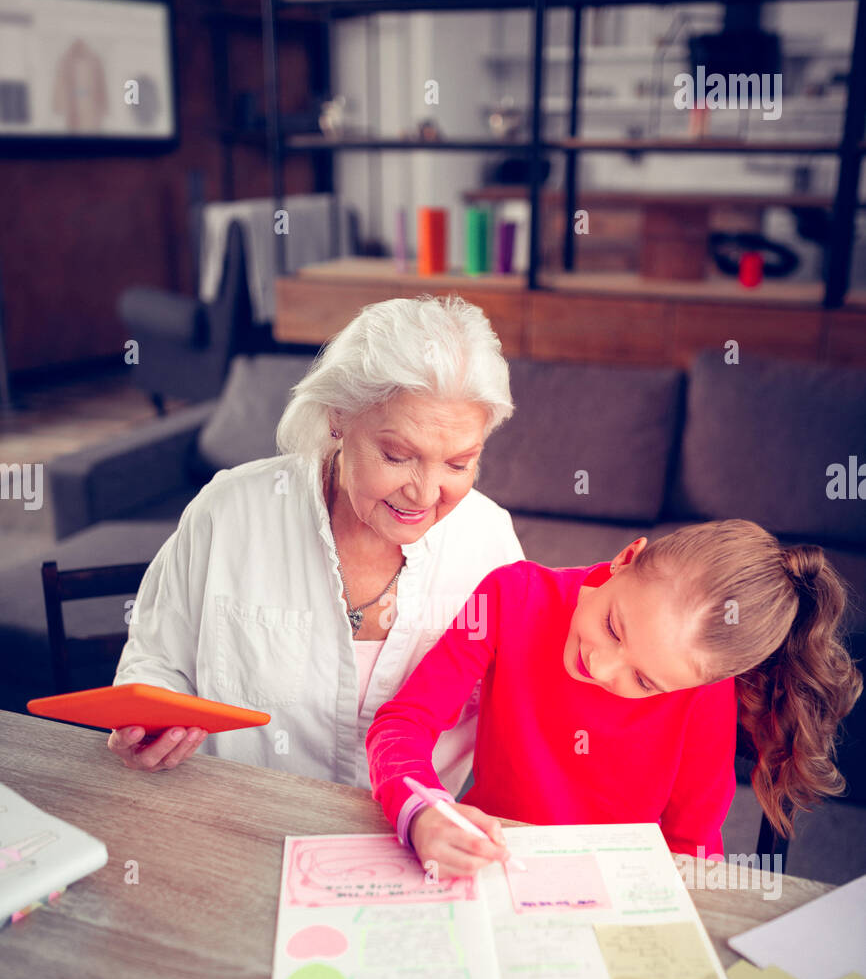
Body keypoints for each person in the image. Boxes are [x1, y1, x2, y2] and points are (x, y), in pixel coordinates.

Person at [109, 295, 524, 784]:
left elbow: (522, 711)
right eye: (396, 456)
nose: (425, 493)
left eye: (458, 463)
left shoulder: (488, 541)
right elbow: (156, 661)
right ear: (338, 419)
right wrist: (147, 727)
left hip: (411, 843)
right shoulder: (228, 513)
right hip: (243, 825)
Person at [366, 519, 863, 875]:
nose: (599, 667)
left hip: (615, 889)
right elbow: (403, 723)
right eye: (613, 627)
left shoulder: (705, 691)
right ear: (625, 560)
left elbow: (690, 846)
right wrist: (422, 811)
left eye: (644, 682)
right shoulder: (511, 596)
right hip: (491, 863)